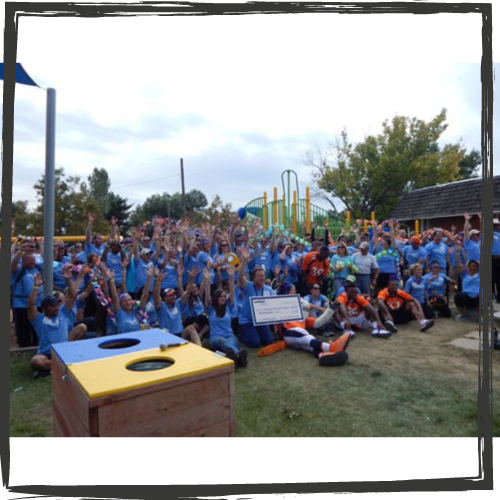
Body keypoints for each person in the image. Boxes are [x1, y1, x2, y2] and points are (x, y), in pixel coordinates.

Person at [257, 282, 351, 367]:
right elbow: (273, 325)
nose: (295, 291)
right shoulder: (279, 309)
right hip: (289, 333)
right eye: (293, 289)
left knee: (309, 346)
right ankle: (330, 347)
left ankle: (322, 356)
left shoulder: (300, 313)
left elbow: (316, 323)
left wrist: (330, 310)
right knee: (305, 335)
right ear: (286, 292)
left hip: (297, 337)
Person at [28, 269, 87, 378]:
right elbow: (31, 305)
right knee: (36, 361)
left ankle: (51, 369)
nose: (56, 308)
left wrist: (68, 280)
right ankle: (66, 366)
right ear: (44, 309)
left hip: (63, 349)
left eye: (56, 305)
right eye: (52, 306)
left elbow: (73, 296)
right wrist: (35, 287)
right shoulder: (38, 319)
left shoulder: (63, 313)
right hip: (47, 354)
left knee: (82, 327)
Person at [205, 266, 248, 368]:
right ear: (216, 298)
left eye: (225, 296)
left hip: (229, 335)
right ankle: (238, 355)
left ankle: (234, 358)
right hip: (215, 337)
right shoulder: (211, 308)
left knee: (230, 342)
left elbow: (232, 292)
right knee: (222, 342)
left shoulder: (228, 307)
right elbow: (207, 297)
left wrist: (232, 277)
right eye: (221, 296)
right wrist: (207, 282)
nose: (224, 298)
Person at [237, 247, 276, 348]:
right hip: (247, 320)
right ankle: (241, 334)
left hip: (260, 320)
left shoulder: (268, 289)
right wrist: (244, 261)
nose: (262, 278)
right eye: (259, 276)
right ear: (253, 278)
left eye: (263, 276)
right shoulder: (248, 286)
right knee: (255, 343)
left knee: (268, 341)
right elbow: (240, 277)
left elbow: (271, 307)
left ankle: (257, 333)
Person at [152, 270, 202, 346]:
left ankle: (200, 350)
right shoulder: (161, 306)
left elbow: (188, 291)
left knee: (191, 328)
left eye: (174, 295)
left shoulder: (178, 303)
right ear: (165, 298)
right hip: (167, 336)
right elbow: (156, 297)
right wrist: (158, 282)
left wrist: (191, 278)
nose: (174, 297)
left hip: (180, 335)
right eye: (171, 295)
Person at [453, 246, 480, 320]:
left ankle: (480, 316)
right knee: (457, 296)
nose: (472, 268)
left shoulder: (480, 275)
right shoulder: (464, 274)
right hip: (466, 296)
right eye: (470, 266)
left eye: (474, 266)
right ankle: (462, 314)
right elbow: (459, 264)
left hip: (477, 296)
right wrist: (457, 253)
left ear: (477, 268)